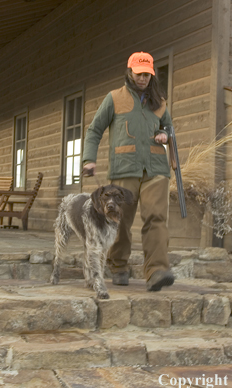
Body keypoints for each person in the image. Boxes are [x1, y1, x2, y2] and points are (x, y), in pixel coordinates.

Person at [82, 51, 175, 292]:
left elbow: (169, 129)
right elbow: (94, 130)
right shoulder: (114, 98)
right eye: (139, 73)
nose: (143, 78)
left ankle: (157, 271)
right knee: (119, 220)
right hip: (124, 168)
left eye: (147, 74)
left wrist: (165, 134)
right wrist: (89, 159)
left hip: (156, 168)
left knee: (156, 218)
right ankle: (118, 264)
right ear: (129, 71)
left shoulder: (160, 102)